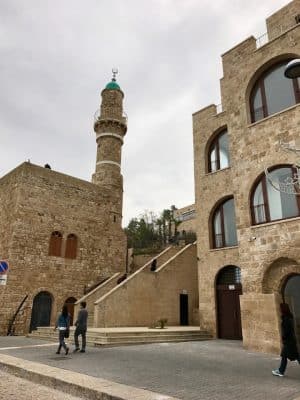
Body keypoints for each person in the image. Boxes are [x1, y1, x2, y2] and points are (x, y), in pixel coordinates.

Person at [272, 303, 300, 377]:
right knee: (284, 356)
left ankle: (281, 371)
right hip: (290, 341)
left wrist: (283, 337)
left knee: (296, 356)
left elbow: (287, 331)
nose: (279, 310)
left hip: (289, 341)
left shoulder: (286, 319)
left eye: (280, 308)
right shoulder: (288, 317)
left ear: (283, 309)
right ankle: (281, 371)